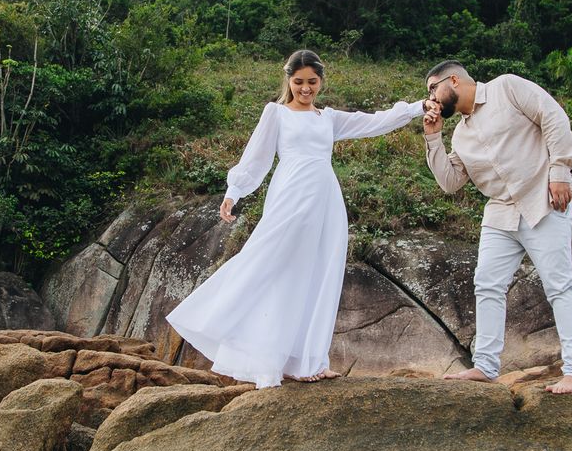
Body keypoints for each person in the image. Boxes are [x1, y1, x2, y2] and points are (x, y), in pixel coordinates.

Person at [166, 49, 437, 389]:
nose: (305, 88)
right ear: (289, 81)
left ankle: (310, 360)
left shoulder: (329, 118)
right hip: (290, 196)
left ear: (321, 81)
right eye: (298, 82)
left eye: (312, 82)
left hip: (325, 201)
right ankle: (231, 331)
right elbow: (257, 157)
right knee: (270, 263)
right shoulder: (276, 113)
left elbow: (374, 121)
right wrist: (234, 191)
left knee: (320, 273)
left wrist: (416, 107)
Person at [422, 60, 572, 395]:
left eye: (432, 88)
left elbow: (553, 117)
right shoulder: (461, 134)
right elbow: (451, 182)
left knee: (559, 285)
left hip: (543, 198)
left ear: (453, 79)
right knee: (487, 284)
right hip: (500, 214)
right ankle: (485, 366)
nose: (430, 97)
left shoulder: (506, 87)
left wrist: (560, 170)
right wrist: (433, 136)